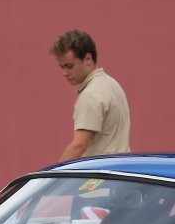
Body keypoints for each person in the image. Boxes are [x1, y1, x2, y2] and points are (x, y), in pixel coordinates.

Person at [51, 29, 130, 161]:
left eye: (69, 66)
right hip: (121, 168)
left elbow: (78, 145)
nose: (65, 73)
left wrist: (54, 172)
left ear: (88, 59)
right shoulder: (112, 84)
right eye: (62, 67)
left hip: (100, 171)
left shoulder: (90, 94)